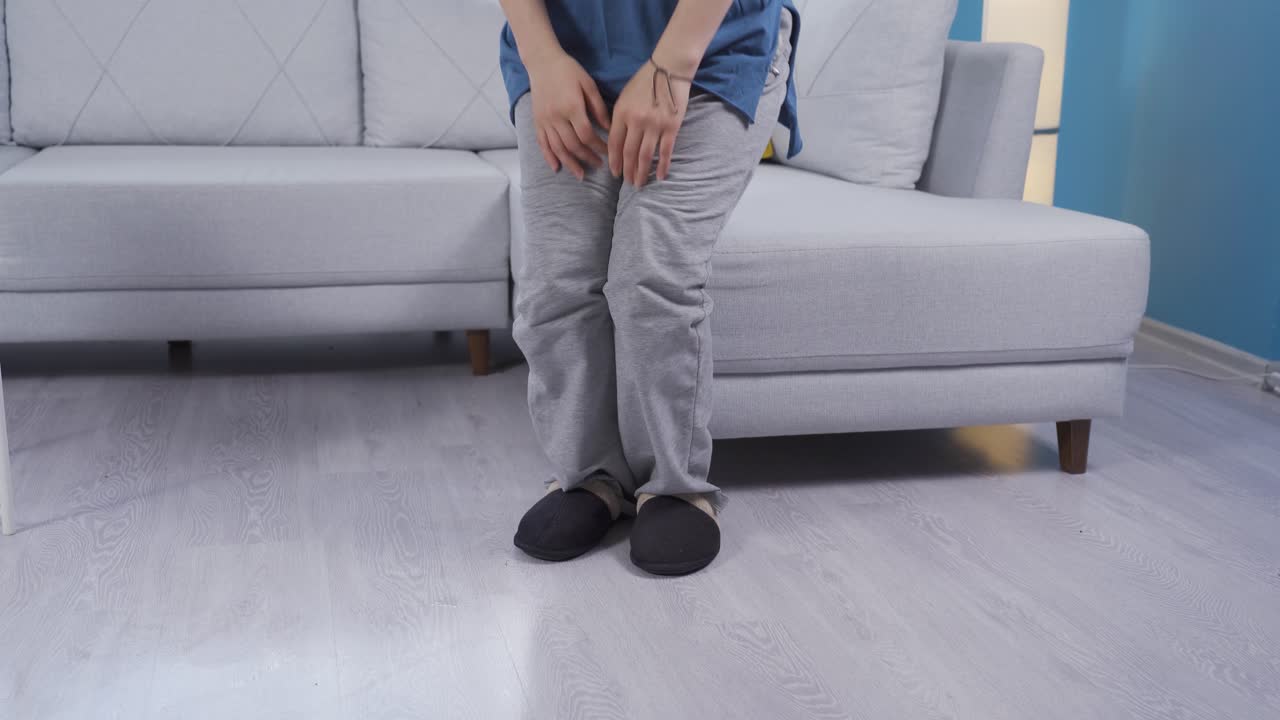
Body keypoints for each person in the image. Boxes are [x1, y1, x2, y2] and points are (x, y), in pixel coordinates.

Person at [499, 0, 802, 576]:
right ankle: (590, 477)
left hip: (711, 50)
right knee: (556, 285)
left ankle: (674, 487)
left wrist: (672, 66)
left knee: (649, 273)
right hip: (565, 50)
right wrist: (543, 60)